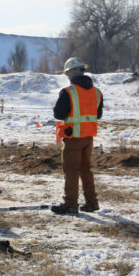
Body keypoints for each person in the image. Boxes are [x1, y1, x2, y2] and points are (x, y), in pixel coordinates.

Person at [51, 57, 103, 215]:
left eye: (67, 74)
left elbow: (58, 114)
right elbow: (98, 115)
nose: (67, 77)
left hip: (73, 139)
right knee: (85, 170)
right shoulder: (97, 92)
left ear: (71, 73)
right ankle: (92, 203)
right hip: (88, 138)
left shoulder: (68, 92)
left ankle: (71, 205)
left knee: (71, 171)